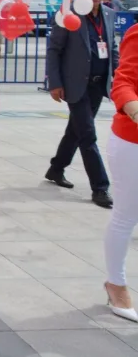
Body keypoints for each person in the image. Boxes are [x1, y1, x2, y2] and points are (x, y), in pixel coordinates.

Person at [45, 0, 116, 209]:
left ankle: (56, 168)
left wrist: (117, 77)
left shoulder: (108, 13)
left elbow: (111, 48)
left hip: (98, 84)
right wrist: (54, 83)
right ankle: (100, 187)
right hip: (75, 84)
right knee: (88, 134)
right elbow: (54, 49)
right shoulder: (68, 15)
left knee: (76, 130)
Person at [104, 25, 138, 322]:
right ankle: (116, 284)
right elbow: (123, 82)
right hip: (133, 140)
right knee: (127, 215)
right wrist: (135, 110)